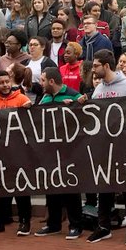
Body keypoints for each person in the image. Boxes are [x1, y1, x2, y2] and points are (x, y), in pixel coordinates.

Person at [86, 51, 126, 246]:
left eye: (95, 66)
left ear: (106, 66)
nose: (93, 69)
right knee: (104, 186)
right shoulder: (98, 90)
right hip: (104, 147)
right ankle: (103, 227)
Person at [31, 67, 86, 239]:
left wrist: (76, 106)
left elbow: (84, 118)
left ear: (51, 81)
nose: (40, 84)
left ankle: (75, 225)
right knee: (51, 186)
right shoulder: (45, 98)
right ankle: (53, 224)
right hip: (49, 150)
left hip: (70, 151)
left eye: (42, 80)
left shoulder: (74, 95)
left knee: (71, 188)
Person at [0, 71, 34, 236]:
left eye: (7, 81)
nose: (5, 85)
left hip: (19, 153)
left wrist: (29, 109)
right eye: (1, 82)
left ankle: (25, 222)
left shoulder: (22, 100)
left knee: (21, 188)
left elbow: (32, 124)